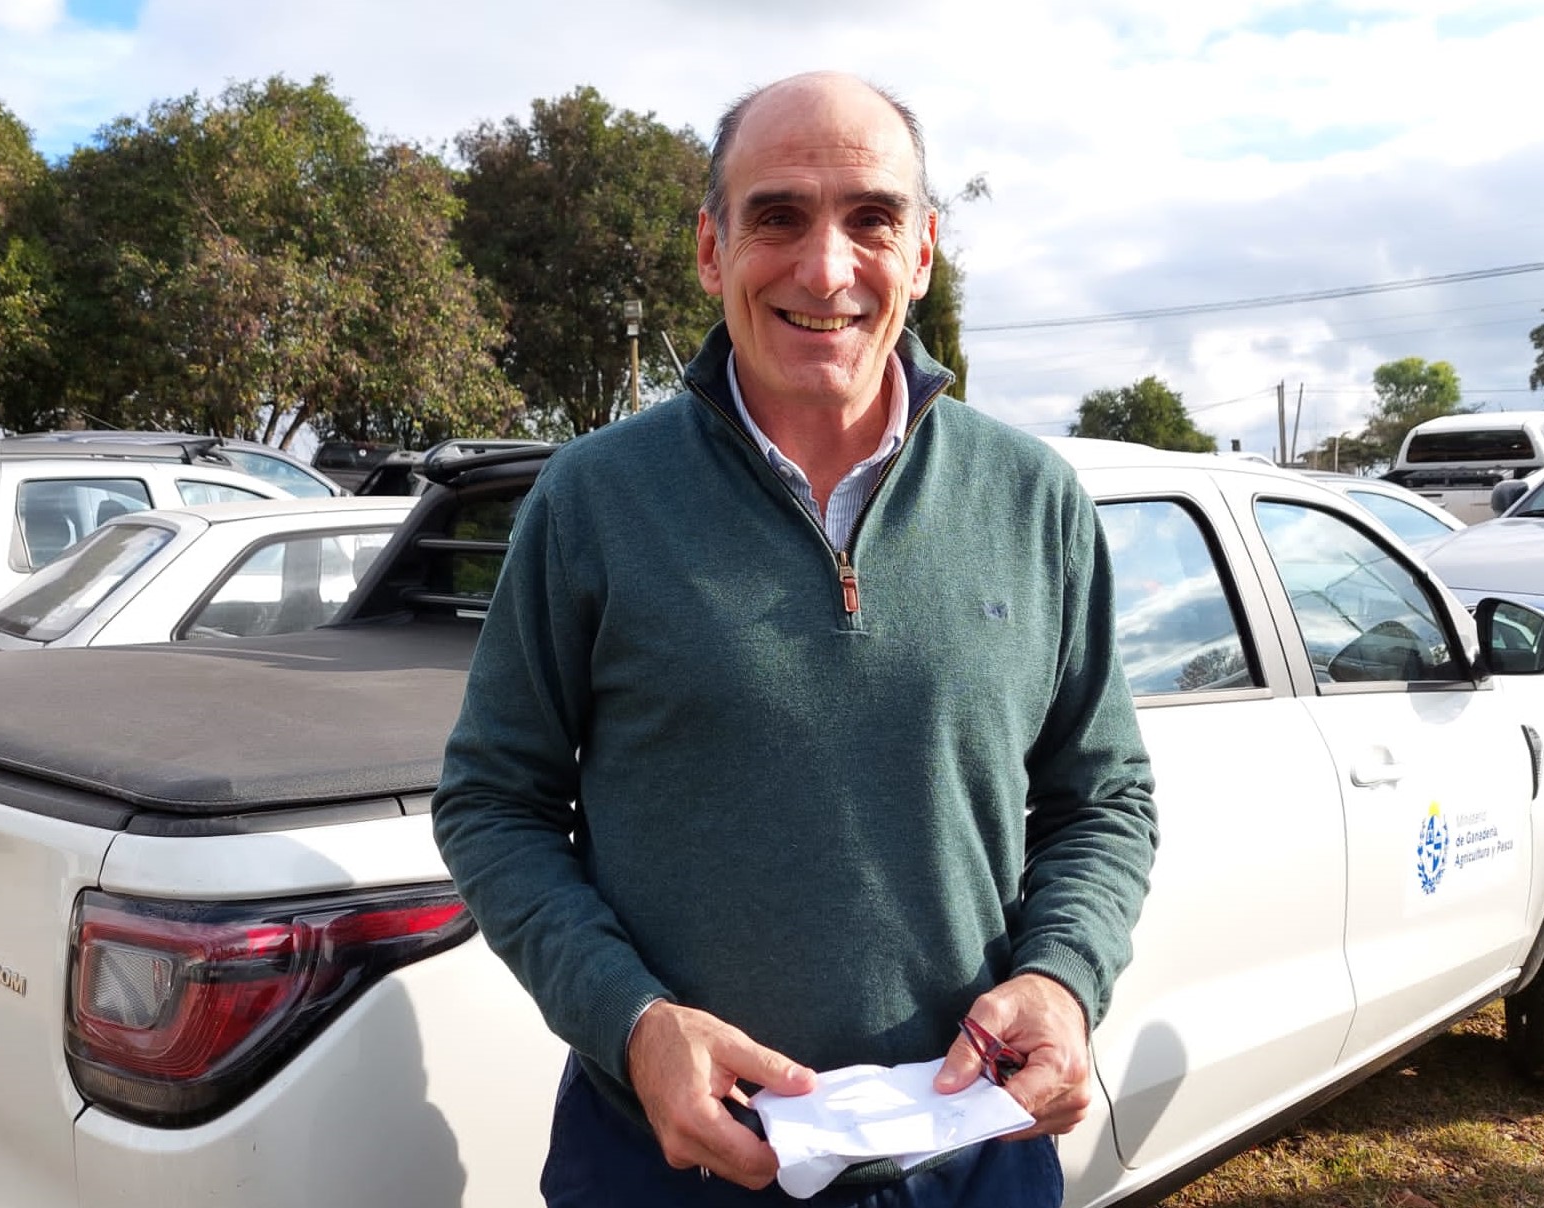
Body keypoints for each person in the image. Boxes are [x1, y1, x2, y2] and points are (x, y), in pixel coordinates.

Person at [431, 70, 1158, 1207]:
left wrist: (1064, 978)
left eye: (872, 218)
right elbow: (492, 801)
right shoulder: (593, 500)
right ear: (711, 249)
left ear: (922, 253)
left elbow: (1102, 798)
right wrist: (632, 1022)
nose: (825, 269)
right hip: (664, 1162)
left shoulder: (1033, 500)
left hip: (973, 1156)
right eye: (777, 216)